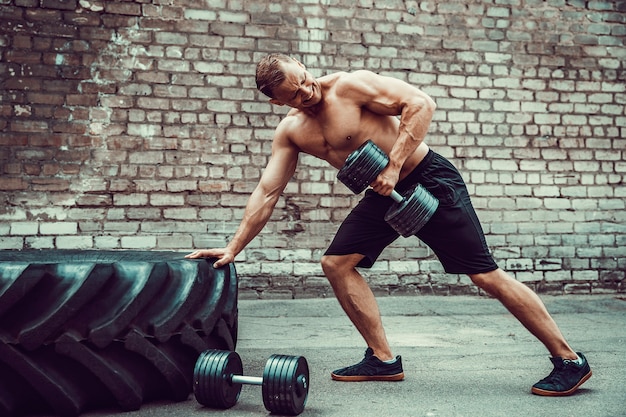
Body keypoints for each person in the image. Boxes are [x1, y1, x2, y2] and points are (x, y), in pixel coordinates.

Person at [186, 53, 591, 396]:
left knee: (484, 276)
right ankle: (383, 360)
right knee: (336, 263)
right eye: (295, 93)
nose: (309, 92)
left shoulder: (349, 86)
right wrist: (234, 246)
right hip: (382, 193)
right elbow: (267, 191)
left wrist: (394, 165)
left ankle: (569, 360)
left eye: (306, 80)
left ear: (305, 69)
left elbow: (421, 104)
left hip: (427, 178)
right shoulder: (292, 131)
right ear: (277, 102)